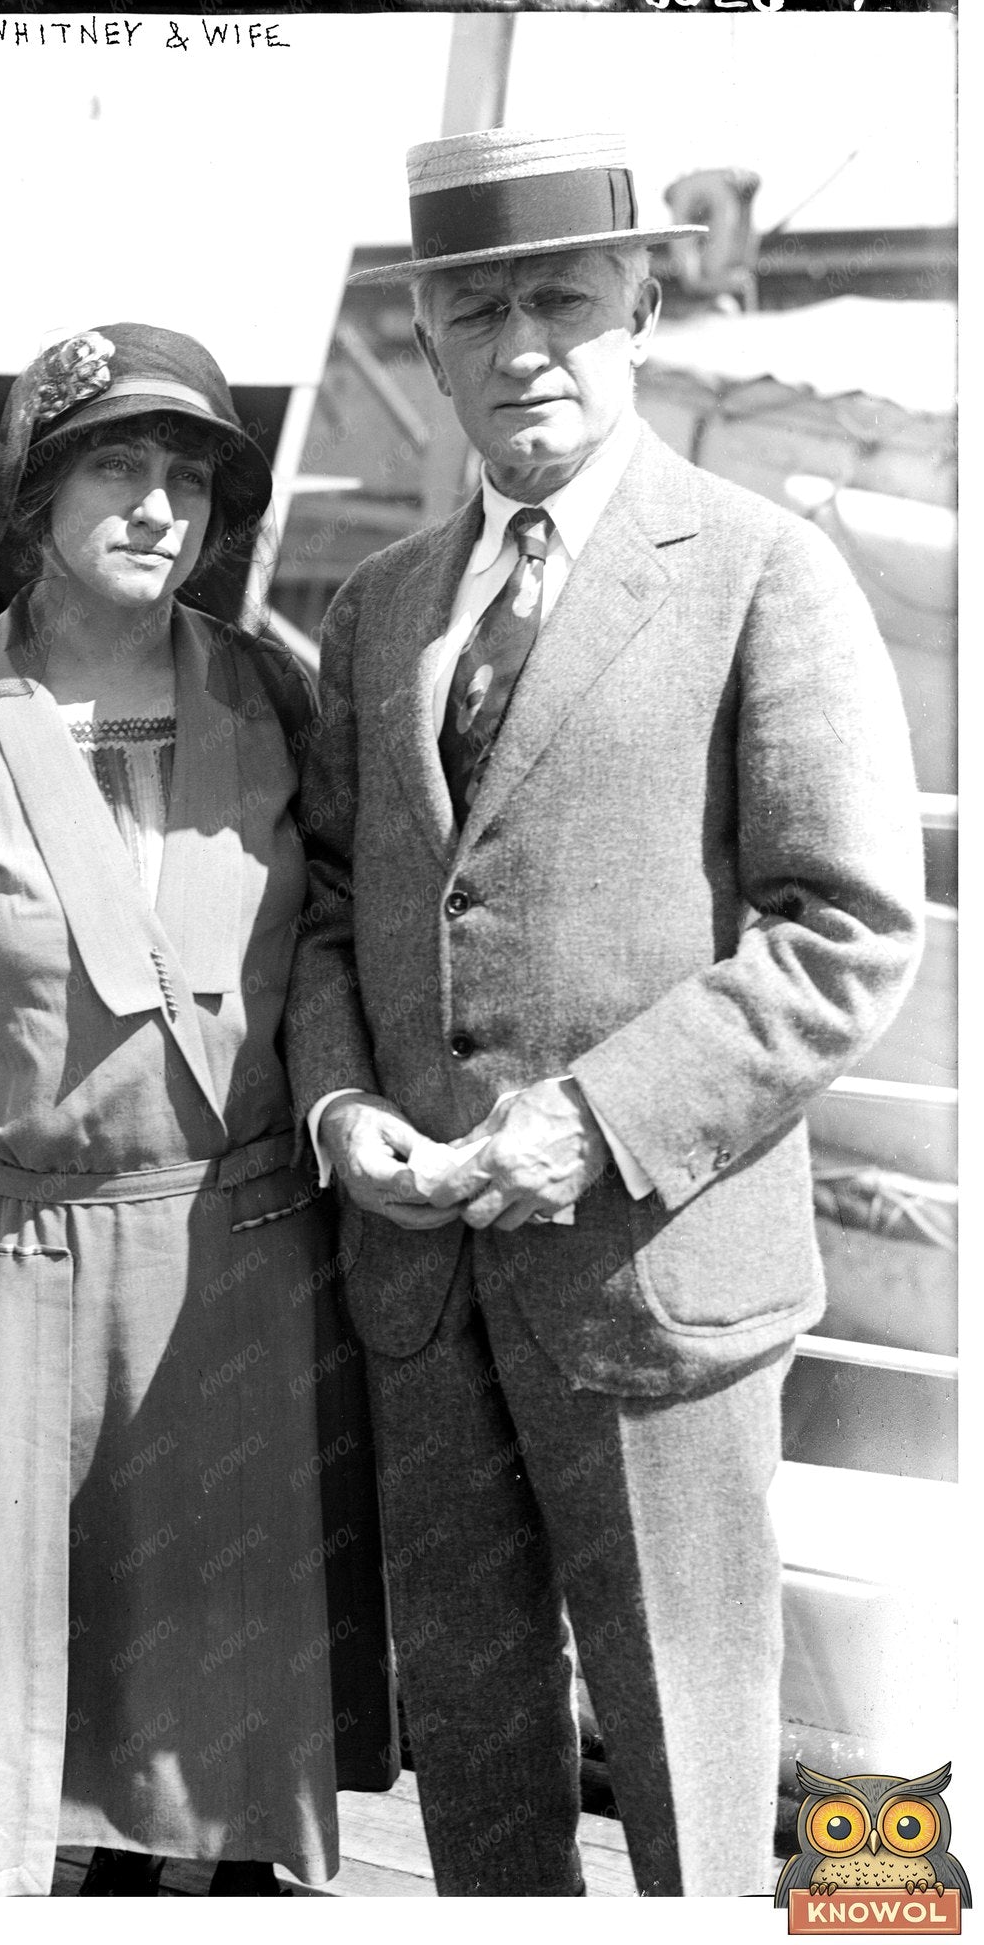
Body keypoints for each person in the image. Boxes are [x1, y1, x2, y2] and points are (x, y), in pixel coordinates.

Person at [286, 130, 925, 1897]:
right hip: (424, 1291)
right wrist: (345, 1120)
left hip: (654, 1288)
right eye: (474, 310)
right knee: (477, 1767)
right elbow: (334, 913)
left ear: (639, 307)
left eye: (561, 298)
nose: (522, 346)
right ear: (427, 340)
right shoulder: (377, 609)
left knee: (692, 1771)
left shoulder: (758, 570)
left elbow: (847, 930)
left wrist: (589, 1119)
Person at [0, 323, 394, 1898]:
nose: (159, 508)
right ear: (32, 495)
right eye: (115, 466)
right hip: (27, 1253)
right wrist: (58, 1138)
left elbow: (336, 922)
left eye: (187, 479)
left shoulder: (271, 693)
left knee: (222, 1651)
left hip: (245, 1247)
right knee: (23, 1646)